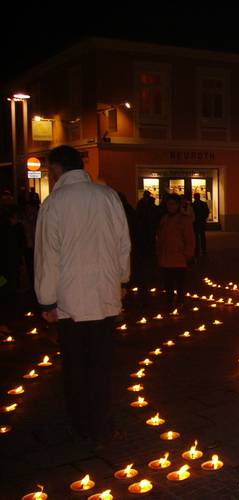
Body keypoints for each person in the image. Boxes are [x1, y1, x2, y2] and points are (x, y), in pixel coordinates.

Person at [34, 145, 131, 445]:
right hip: (104, 297)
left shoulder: (54, 203)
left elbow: (47, 256)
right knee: (101, 365)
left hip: (69, 303)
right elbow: (123, 244)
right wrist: (122, 282)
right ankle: (102, 422)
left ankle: (81, 423)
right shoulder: (108, 197)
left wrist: (46, 300)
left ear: (58, 169)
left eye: (50, 170)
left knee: (76, 366)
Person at [157, 194, 195, 305]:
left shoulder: (184, 220)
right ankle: (169, 302)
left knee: (179, 283)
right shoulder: (164, 218)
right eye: (168, 204)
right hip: (166, 257)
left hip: (179, 258)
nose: (170, 206)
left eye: (173, 204)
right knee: (168, 283)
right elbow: (161, 237)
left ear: (178, 205)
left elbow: (190, 239)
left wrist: (188, 254)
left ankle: (180, 301)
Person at [192, 192, 210, 258]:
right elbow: (207, 212)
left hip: (195, 223)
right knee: (202, 236)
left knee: (196, 237)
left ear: (195, 197)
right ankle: (203, 249)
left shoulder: (193, 205)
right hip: (201, 222)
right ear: (199, 197)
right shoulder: (203, 204)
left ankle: (197, 250)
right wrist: (204, 218)